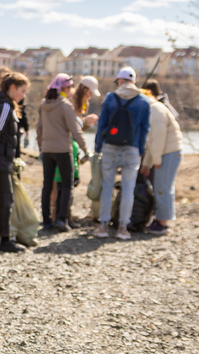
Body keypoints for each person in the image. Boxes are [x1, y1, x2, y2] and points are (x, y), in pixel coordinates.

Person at [93, 67, 151, 240]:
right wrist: (140, 151)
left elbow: (101, 125)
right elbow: (145, 129)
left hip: (110, 147)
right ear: (134, 82)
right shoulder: (144, 101)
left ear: (120, 81)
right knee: (128, 189)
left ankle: (103, 226)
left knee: (107, 187)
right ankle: (122, 228)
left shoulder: (111, 98)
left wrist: (98, 147)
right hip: (131, 149)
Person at [0, 72, 30, 253]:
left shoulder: (6, 106)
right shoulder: (3, 107)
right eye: (22, 91)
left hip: (1, 162)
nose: (23, 96)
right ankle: (5, 241)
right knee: (6, 200)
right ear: (12, 88)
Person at [36, 73, 88, 232]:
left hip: (47, 150)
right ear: (65, 88)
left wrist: (41, 147)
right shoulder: (65, 106)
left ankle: (46, 221)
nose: (72, 90)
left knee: (47, 185)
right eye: (71, 87)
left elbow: (39, 129)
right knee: (67, 185)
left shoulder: (44, 104)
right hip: (63, 150)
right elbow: (75, 130)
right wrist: (86, 149)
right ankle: (61, 219)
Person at [140, 80, 183, 235]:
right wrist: (147, 163)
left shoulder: (155, 109)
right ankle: (161, 219)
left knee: (163, 187)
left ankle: (163, 222)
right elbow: (151, 141)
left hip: (169, 152)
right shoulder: (153, 109)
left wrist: (156, 160)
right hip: (167, 152)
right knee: (161, 186)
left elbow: (158, 137)